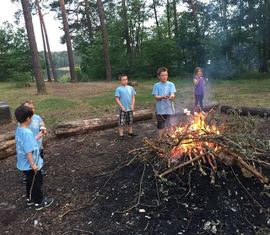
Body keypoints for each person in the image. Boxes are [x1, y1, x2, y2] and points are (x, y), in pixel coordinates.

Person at [14, 105, 53, 210]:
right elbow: (28, 151)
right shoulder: (27, 133)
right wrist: (33, 165)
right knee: (36, 182)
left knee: (30, 181)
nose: (32, 119)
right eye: (31, 117)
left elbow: (27, 143)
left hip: (23, 164)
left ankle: (29, 199)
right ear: (28, 119)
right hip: (30, 165)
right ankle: (39, 202)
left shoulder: (19, 129)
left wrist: (38, 136)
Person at [22, 100, 47, 176]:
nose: (31, 110)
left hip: (38, 145)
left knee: (39, 157)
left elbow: (42, 129)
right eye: (29, 108)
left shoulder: (37, 117)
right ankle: (28, 175)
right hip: (28, 146)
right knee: (29, 160)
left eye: (32, 108)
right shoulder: (22, 120)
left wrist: (43, 129)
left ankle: (39, 170)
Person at [152, 67, 176, 137]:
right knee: (160, 126)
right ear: (159, 76)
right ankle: (160, 140)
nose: (165, 77)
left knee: (170, 125)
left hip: (170, 110)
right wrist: (162, 97)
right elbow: (156, 97)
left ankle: (170, 139)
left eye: (166, 75)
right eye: (162, 75)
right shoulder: (156, 85)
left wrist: (172, 96)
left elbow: (173, 93)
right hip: (160, 111)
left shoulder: (171, 84)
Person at [115, 74, 137, 140]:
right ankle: (121, 134)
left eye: (126, 79)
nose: (125, 81)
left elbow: (133, 97)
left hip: (130, 108)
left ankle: (130, 132)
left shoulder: (131, 88)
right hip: (123, 109)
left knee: (130, 121)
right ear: (120, 81)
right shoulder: (119, 89)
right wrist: (122, 107)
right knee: (121, 122)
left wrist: (132, 105)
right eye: (123, 80)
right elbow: (116, 98)